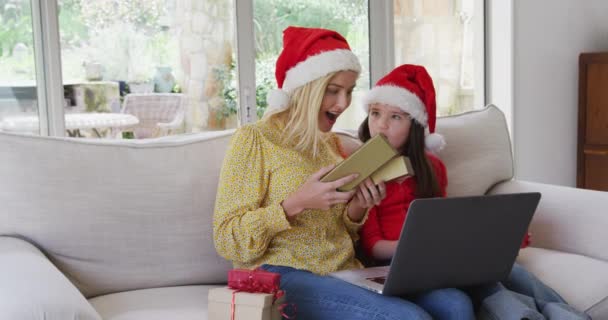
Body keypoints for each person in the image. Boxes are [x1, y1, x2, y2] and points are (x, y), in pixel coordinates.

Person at [214, 26, 474, 320]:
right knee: (408, 317)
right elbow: (226, 239)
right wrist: (293, 204)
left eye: (349, 91)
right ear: (306, 88)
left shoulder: (332, 145)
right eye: (334, 91)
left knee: (456, 304)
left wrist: (359, 206)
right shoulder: (255, 139)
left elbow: (344, 231)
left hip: (344, 271)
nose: (343, 104)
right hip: (281, 273)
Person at [357, 64, 590, 320]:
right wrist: (420, 247)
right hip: (396, 264)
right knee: (470, 293)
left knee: (512, 274)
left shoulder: (432, 167)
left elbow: (444, 219)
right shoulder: (362, 169)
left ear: (414, 125)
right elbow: (372, 246)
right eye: (375, 113)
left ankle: (571, 315)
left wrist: (500, 238)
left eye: (395, 117)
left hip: (441, 254)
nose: (380, 125)